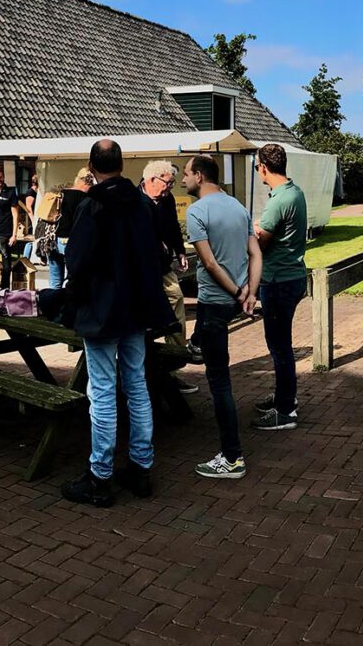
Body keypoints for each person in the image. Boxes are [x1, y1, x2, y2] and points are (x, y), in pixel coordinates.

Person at [61, 140, 171, 508]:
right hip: (136, 309)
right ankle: (140, 468)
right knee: (137, 386)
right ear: (122, 165)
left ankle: (100, 475)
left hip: (102, 311)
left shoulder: (92, 206)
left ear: (91, 166)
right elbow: (154, 254)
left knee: (104, 391)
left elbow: (75, 261)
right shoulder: (142, 204)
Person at [183, 154, 261, 479]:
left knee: (219, 381)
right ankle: (194, 344)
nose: (183, 179)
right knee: (205, 351)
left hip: (217, 300)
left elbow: (211, 264)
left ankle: (232, 457)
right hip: (230, 300)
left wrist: (237, 293)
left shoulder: (196, 211)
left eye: (186, 174)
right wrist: (250, 292)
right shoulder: (238, 207)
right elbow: (256, 253)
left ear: (200, 176)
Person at [251, 143, 309, 432]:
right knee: (281, 345)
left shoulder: (277, 201)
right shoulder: (294, 191)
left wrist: (253, 235)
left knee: (279, 347)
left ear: (263, 166)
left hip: (278, 281)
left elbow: (263, 243)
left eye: (256, 165)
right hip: (293, 276)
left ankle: (286, 411)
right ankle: (285, 397)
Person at [141, 160, 187, 329]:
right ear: (153, 180)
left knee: (176, 297)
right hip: (142, 267)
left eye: (172, 183)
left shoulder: (168, 200)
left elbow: (174, 226)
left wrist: (180, 251)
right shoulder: (134, 199)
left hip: (163, 265)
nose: (170, 187)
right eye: (168, 183)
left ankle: (178, 349)